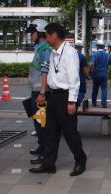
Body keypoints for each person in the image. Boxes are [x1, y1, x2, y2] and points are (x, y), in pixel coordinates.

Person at [30, 23, 87, 176]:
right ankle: (48, 164)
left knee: (70, 132)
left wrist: (71, 102)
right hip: (52, 96)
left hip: (65, 97)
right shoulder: (52, 52)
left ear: (54, 35)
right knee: (50, 132)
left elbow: (74, 79)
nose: (46, 38)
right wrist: (43, 93)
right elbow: (48, 74)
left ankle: (80, 161)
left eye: (47, 35)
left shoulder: (70, 53)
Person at [26, 19, 51, 165]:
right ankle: (42, 148)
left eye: (32, 33)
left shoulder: (46, 49)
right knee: (38, 122)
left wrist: (42, 93)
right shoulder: (40, 48)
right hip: (35, 91)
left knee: (42, 124)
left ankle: (45, 154)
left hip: (40, 93)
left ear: (40, 33)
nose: (30, 36)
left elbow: (45, 73)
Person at [91, 40, 111, 108]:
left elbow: (92, 64)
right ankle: (104, 103)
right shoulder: (107, 55)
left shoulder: (95, 55)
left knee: (95, 89)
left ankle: (94, 102)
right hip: (104, 74)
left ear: (97, 46)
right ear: (103, 47)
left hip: (96, 74)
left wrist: (91, 71)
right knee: (104, 89)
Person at [74, 40, 89, 108]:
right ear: (80, 47)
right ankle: (77, 102)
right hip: (79, 77)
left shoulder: (69, 55)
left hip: (68, 78)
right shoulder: (81, 56)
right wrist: (88, 76)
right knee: (81, 90)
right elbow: (84, 69)